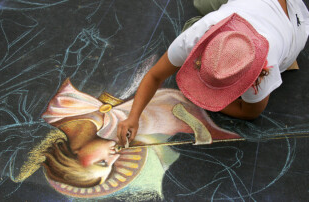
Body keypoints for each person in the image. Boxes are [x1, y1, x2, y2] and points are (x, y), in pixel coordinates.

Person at [117, 0, 309, 146]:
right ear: (200, 49)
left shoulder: (262, 70)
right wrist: (133, 116)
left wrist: (206, 99)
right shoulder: (198, 32)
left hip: (294, 25)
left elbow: (250, 113)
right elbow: (154, 76)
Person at [40, 78, 240, 188]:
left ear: (73, 154)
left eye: (102, 162)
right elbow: (167, 115)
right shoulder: (115, 128)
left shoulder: (53, 112)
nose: (115, 157)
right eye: (111, 165)